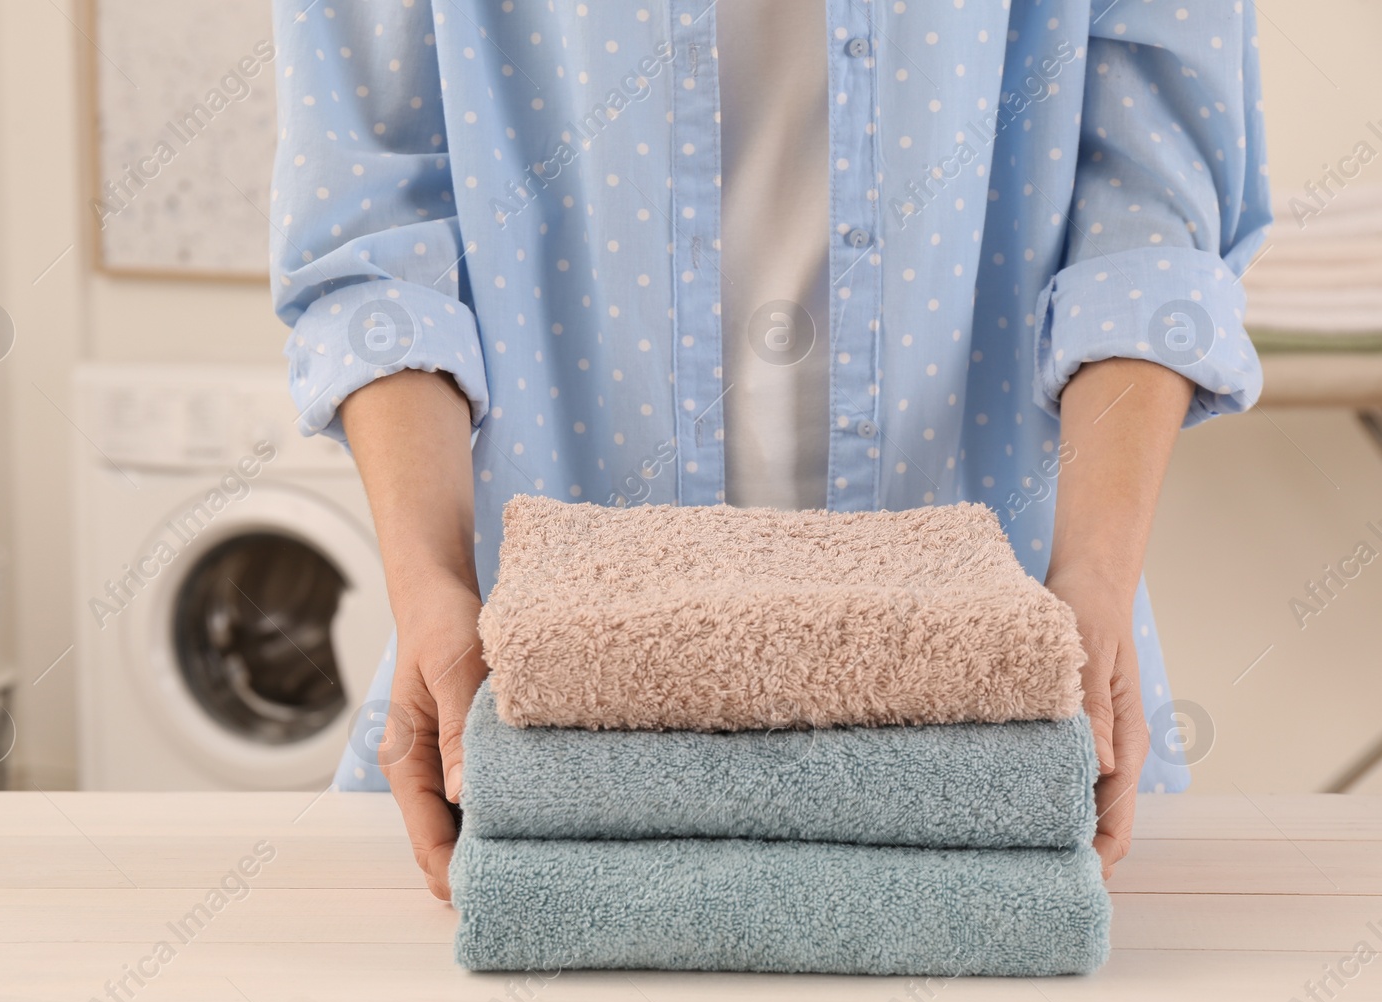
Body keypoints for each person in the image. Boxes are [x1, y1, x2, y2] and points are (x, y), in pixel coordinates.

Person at [270, 0, 1270, 899]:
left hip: (1017, 678)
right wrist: (429, 578)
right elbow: (377, 228)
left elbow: (1146, 210)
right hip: (515, 700)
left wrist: (1094, 570)